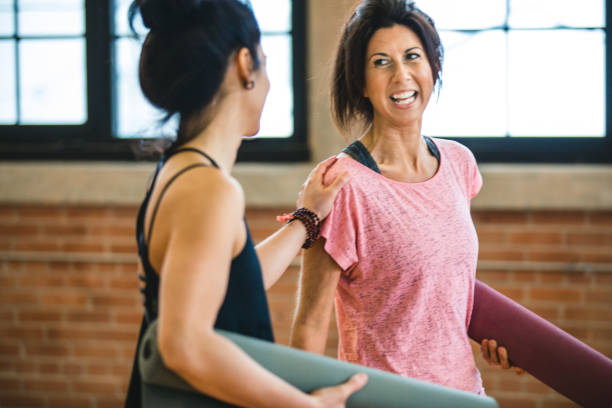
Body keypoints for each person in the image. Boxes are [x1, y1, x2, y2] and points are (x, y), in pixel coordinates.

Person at [123, 0, 368, 407]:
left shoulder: (178, 171)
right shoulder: (210, 189)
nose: (269, 82)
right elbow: (184, 344)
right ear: (243, 65)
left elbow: (235, 282)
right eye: (265, 63)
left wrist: (306, 219)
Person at [290, 0, 521, 396]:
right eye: (381, 62)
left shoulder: (458, 164)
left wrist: (492, 333)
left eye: (413, 57)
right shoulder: (340, 183)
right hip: (385, 400)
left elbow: (439, 282)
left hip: (464, 396)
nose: (402, 75)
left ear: (433, 67)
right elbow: (310, 323)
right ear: (360, 82)